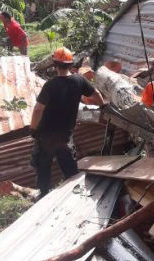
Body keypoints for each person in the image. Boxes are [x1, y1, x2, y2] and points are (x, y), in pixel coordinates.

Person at [30, 47, 105, 197]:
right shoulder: (79, 80)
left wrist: (33, 128)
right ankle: (75, 196)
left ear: (54, 64)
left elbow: (38, 109)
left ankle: (43, 196)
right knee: (70, 170)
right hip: (65, 135)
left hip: (46, 135)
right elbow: (96, 93)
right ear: (70, 64)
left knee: (43, 167)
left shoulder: (50, 85)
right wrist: (103, 107)